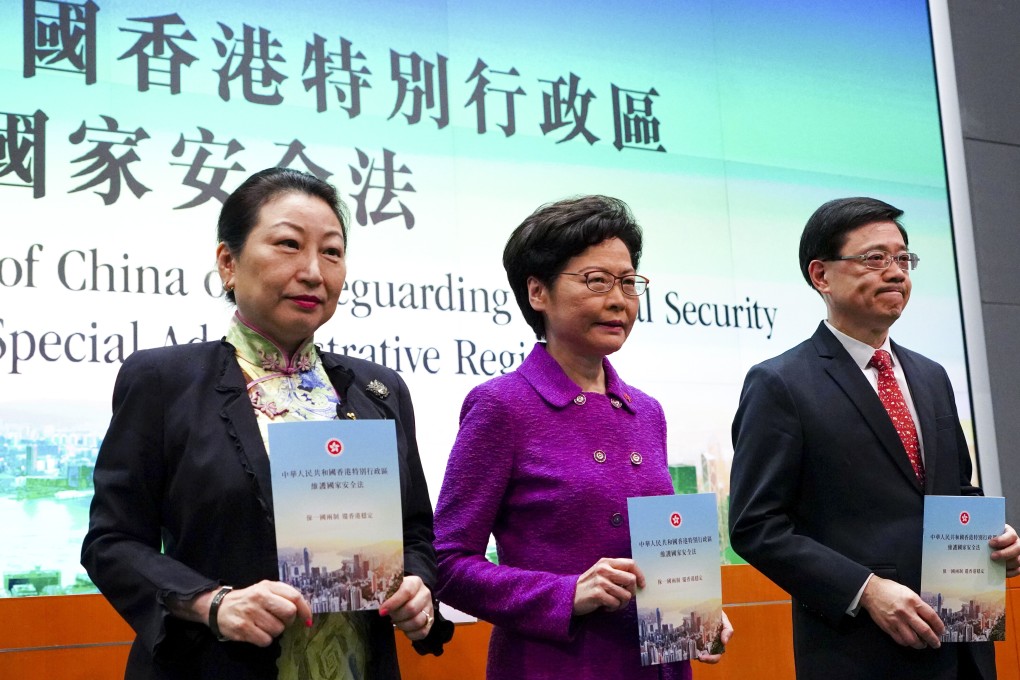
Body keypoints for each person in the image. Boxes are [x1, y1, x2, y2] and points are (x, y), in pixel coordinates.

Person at [81, 167, 452, 680]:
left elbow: (415, 532)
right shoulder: (163, 381)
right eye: (287, 244)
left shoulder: (377, 391)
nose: (314, 272)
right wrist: (213, 603)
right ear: (228, 263)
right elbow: (112, 542)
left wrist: (416, 584)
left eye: (332, 252)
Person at [433, 195, 732, 679]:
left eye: (629, 282)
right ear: (538, 292)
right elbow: (447, 562)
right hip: (557, 666)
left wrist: (695, 609)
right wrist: (566, 593)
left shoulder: (647, 411)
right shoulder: (502, 405)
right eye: (596, 281)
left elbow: (663, 557)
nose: (619, 300)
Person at [729, 197, 1020, 679]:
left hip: (964, 647)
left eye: (903, 258)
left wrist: (997, 539)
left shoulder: (932, 376)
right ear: (821, 275)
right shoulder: (781, 383)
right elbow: (755, 525)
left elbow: (955, 492)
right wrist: (865, 590)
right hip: (860, 652)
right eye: (874, 258)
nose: (896, 272)